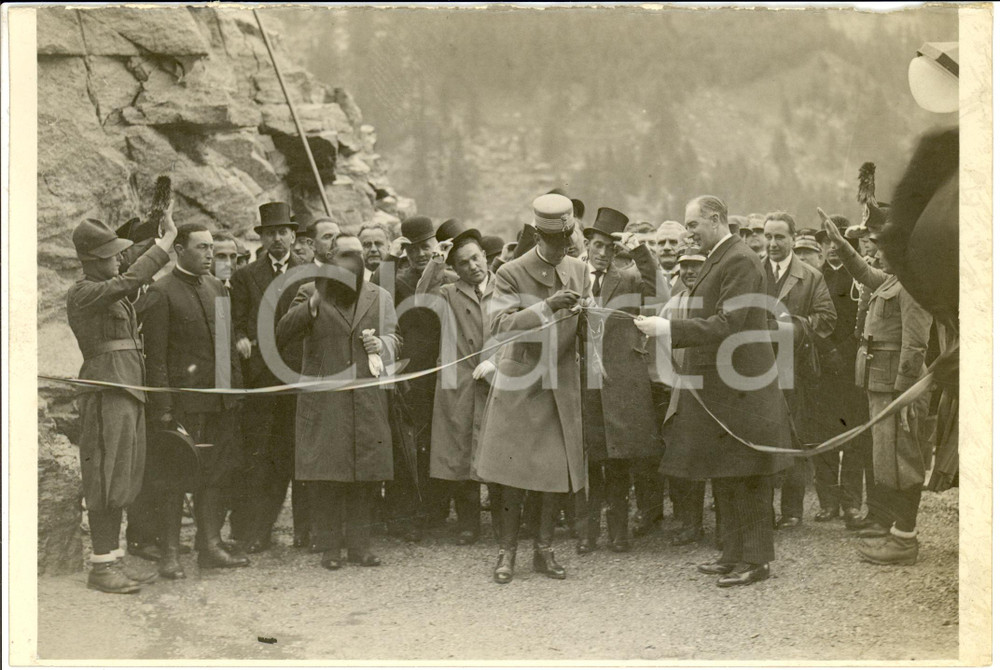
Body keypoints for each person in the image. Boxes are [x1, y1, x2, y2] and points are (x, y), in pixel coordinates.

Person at [635, 195, 792, 587]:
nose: (688, 234)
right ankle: (733, 553)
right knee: (728, 472)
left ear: (716, 220)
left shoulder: (738, 259)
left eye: (693, 226)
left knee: (749, 475)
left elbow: (729, 323)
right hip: (725, 390)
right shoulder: (722, 258)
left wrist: (668, 329)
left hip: (743, 392)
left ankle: (756, 561)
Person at [475, 193, 590, 584]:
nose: (562, 250)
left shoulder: (579, 269)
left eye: (567, 242)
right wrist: (548, 307)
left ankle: (544, 550)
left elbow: (585, 325)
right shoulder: (511, 271)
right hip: (521, 384)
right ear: (538, 236)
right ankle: (507, 552)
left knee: (554, 473)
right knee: (511, 475)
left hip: (562, 385)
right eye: (555, 243)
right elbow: (500, 325)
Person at [66, 211, 178, 593]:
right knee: (105, 478)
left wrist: (156, 233)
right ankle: (101, 567)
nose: (118, 258)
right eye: (111, 254)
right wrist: (165, 247)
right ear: (95, 260)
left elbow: (128, 265)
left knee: (124, 476)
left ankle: (111, 560)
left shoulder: (106, 281)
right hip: (106, 390)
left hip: (127, 388)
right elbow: (131, 276)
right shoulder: (84, 292)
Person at [277, 233, 400, 570]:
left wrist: (384, 346)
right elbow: (282, 332)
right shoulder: (311, 292)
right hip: (325, 399)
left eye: (357, 255)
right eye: (346, 254)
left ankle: (361, 547)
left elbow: (395, 337)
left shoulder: (381, 295)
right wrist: (314, 303)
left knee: (365, 473)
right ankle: (330, 547)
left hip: (366, 398)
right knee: (328, 473)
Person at [138, 224, 251, 579]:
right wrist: (165, 409)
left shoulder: (216, 287)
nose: (208, 254)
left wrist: (235, 391)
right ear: (179, 250)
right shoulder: (161, 292)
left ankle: (210, 546)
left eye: (210, 248)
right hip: (184, 406)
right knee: (174, 477)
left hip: (219, 402)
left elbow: (227, 343)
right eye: (201, 248)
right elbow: (155, 359)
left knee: (215, 475)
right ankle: (170, 553)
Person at [821, 215, 933, 565]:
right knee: (887, 462)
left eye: (885, 247)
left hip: (896, 388)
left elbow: (915, 346)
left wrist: (904, 394)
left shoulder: (912, 287)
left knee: (903, 462)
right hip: (880, 384)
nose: (878, 252)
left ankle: (904, 539)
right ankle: (894, 530)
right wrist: (840, 244)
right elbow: (863, 274)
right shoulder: (894, 282)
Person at [576, 207, 664, 554]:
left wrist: (640, 251)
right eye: (598, 245)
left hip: (617, 383)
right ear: (588, 244)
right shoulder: (572, 277)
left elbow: (656, 290)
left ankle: (618, 530)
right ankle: (586, 532)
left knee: (616, 459)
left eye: (610, 248)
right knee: (588, 458)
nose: (602, 252)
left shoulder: (626, 279)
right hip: (582, 381)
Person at [229, 202, 307, 553]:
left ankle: (298, 530)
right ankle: (253, 531)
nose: (277, 239)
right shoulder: (246, 276)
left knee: (287, 456)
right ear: (261, 237)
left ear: (293, 235)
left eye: (283, 232)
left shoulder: (308, 273)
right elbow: (236, 320)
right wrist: (240, 338)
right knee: (256, 457)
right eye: (270, 233)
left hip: (296, 377)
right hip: (259, 378)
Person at [416, 220, 496, 545]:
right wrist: (438, 259)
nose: (472, 266)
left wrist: (499, 362)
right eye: (462, 263)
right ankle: (469, 524)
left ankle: (508, 522)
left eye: (476, 258)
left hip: (497, 378)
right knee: (463, 452)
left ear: (485, 256)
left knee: (500, 449)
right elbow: (421, 296)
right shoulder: (448, 292)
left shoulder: (504, 287)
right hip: (461, 382)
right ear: (455, 269)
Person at [373, 216, 449, 541]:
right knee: (405, 446)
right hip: (405, 374)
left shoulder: (448, 278)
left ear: (435, 245)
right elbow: (377, 291)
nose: (420, 254)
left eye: (425, 247)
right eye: (413, 249)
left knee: (433, 442)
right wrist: (390, 257)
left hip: (440, 372)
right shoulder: (398, 279)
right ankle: (401, 514)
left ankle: (433, 512)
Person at [761, 212, 837, 530]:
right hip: (755, 368)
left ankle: (791, 510)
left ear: (793, 238)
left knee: (795, 436)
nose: (773, 243)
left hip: (796, 368)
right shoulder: (751, 271)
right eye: (768, 237)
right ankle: (761, 510)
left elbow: (827, 318)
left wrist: (787, 326)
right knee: (760, 435)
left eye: (780, 237)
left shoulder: (810, 276)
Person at [812, 215, 873, 526]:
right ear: (820, 246)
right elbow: (810, 320)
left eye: (838, 243)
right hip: (822, 368)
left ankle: (851, 503)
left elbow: (864, 324)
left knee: (853, 437)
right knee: (822, 436)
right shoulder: (813, 277)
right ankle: (828, 503)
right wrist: (827, 352)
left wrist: (844, 353)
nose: (832, 249)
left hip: (850, 369)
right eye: (826, 243)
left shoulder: (860, 278)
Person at [654, 247, 712, 546]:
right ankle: (691, 523)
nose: (690, 272)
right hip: (680, 390)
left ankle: (723, 525)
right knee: (686, 457)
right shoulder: (672, 304)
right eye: (685, 267)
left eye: (696, 266)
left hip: (712, 391)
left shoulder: (714, 303)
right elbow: (661, 347)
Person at [653, 220, 686, 289]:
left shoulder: (694, 278)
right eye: (661, 243)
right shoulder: (644, 279)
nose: (666, 247)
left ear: (684, 246)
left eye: (673, 242)